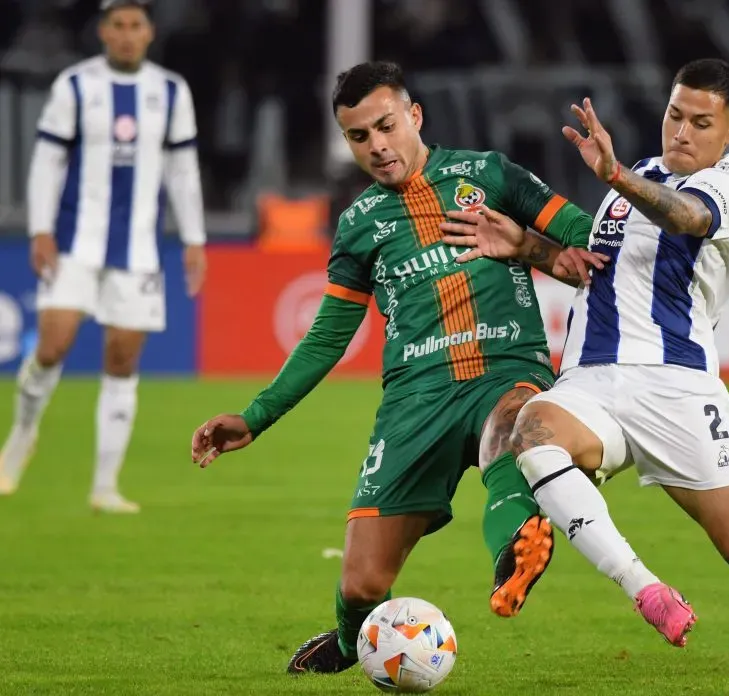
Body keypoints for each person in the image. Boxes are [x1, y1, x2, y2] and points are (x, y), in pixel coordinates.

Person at [188, 61, 607, 674]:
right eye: (359, 136)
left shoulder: (489, 175)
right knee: (362, 583)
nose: (377, 146)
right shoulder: (358, 225)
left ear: (414, 116)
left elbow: (589, 246)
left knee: (513, 430)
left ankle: (515, 549)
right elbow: (328, 335)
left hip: (504, 372)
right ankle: (350, 636)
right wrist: (256, 417)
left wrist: (528, 244)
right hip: (416, 400)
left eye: (385, 126)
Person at [439, 58, 729, 680]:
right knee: (532, 434)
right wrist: (526, 247)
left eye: (701, 122)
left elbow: (685, 219)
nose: (682, 132)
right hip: (590, 381)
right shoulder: (628, 186)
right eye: (674, 116)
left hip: (675, 386)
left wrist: (615, 174)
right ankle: (645, 589)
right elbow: (593, 270)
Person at [0, 0, 207, 513]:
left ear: (150, 32)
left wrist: (195, 238)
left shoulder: (170, 91)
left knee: (122, 358)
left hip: (138, 247)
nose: (127, 34)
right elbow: (47, 160)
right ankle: (22, 435)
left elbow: (183, 170)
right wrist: (41, 229)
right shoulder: (75, 85)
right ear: (103, 31)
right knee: (52, 346)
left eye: (136, 25)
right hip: (75, 242)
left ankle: (104, 486)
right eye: (118, 25)